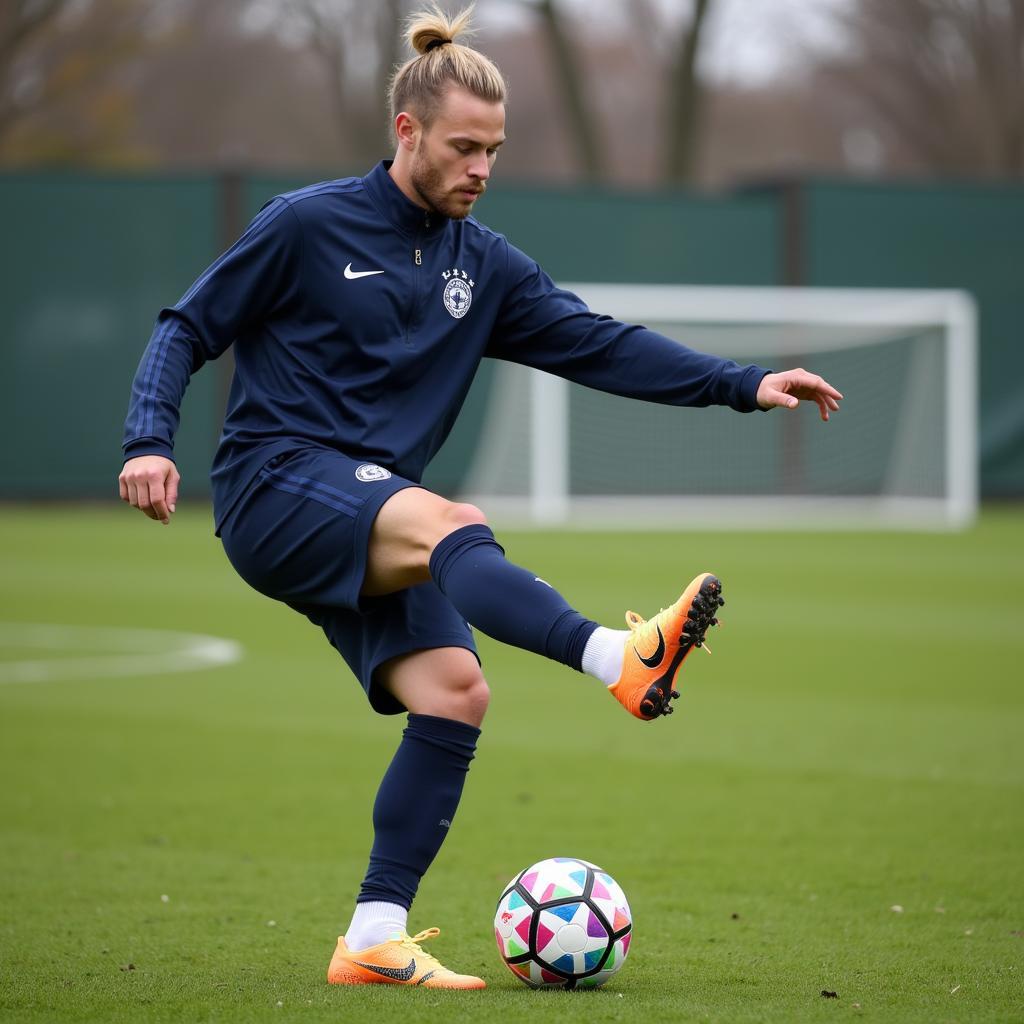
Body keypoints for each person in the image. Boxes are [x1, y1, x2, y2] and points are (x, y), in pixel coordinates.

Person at [119, 3, 842, 991]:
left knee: (456, 692)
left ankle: (373, 935)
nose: (480, 168)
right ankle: (616, 660)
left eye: (494, 151)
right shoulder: (304, 224)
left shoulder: (482, 264)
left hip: (372, 507)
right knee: (451, 522)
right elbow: (184, 327)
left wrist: (741, 382)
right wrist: (148, 437)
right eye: (464, 147)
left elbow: (600, 343)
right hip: (272, 484)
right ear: (406, 131)